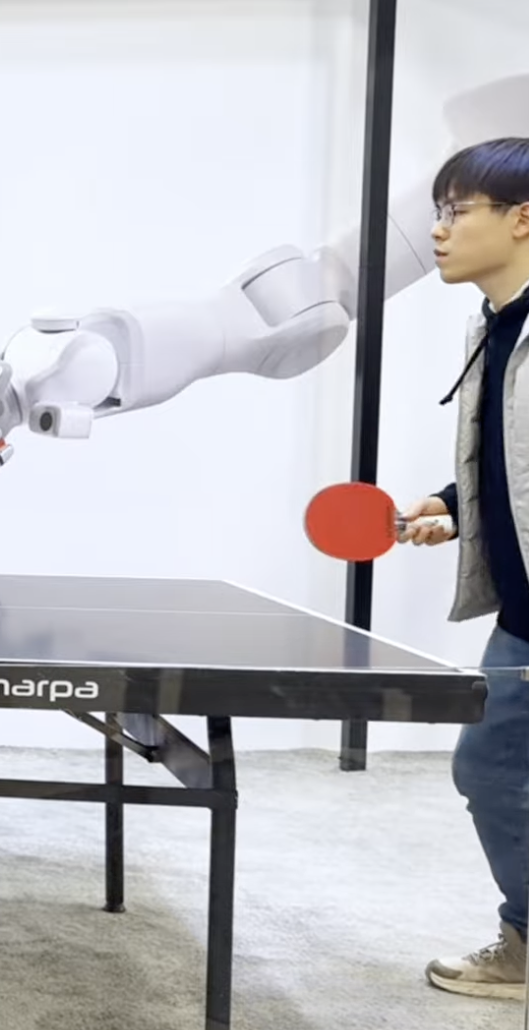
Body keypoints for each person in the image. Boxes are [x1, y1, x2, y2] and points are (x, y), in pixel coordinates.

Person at [397, 136, 529, 1001]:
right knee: (489, 768)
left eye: (457, 211)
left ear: (523, 220)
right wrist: (457, 504)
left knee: (490, 768)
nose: (439, 230)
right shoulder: (498, 324)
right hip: (521, 612)